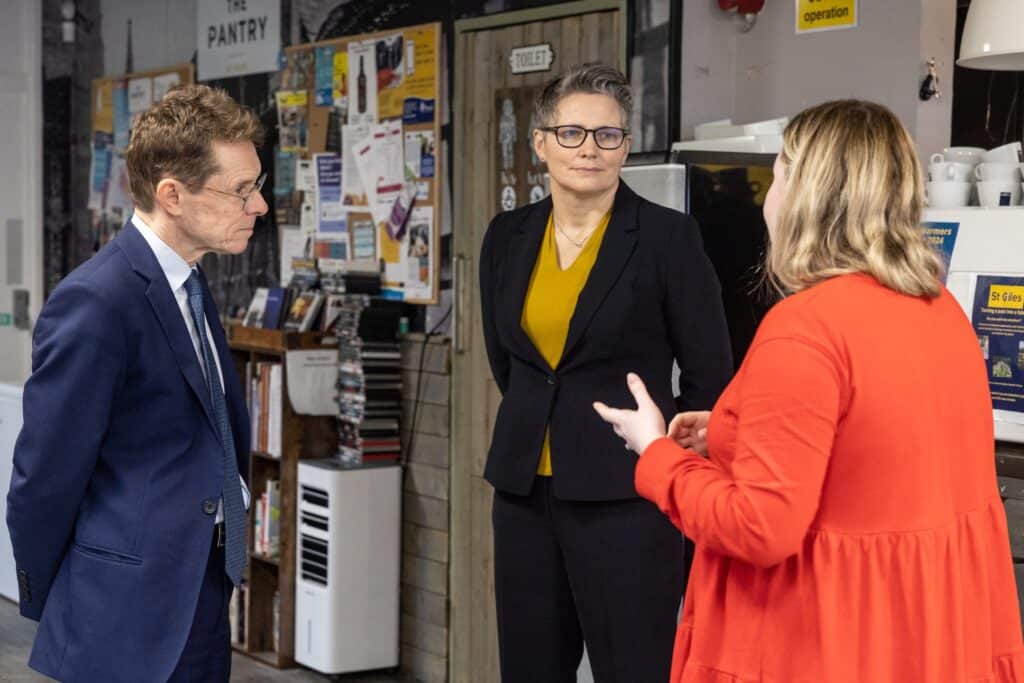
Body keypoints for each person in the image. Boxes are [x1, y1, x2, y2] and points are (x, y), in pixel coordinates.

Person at [594, 99, 1024, 682]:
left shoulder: (806, 328)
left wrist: (657, 452)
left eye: (780, 170)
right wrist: (730, 432)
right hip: (917, 640)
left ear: (804, 190)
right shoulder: (939, 307)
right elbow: (864, 458)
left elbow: (759, 527)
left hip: (816, 639)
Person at [479, 63, 732, 682]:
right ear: (540, 142)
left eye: (608, 134)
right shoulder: (506, 236)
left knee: (633, 668)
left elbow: (710, 374)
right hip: (522, 493)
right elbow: (507, 360)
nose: (589, 148)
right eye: (571, 133)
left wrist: (675, 462)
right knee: (531, 669)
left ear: (625, 145)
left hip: (629, 494)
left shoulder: (668, 238)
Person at [7, 84, 268, 683]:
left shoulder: (192, 286)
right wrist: (71, 600)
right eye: (242, 190)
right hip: (120, 612)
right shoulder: (97, 300)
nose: (259, 207)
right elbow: (43, 479)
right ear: (172, 194)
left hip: (199, 589)